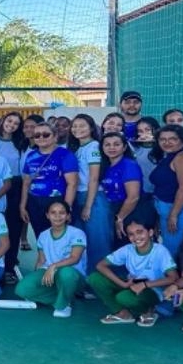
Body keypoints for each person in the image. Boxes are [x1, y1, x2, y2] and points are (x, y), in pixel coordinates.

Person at [87, 215, 177, 326]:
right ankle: (122, 313)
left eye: (140, 232)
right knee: (94, 278)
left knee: (124, 297)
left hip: (153, 290)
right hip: (132, 285)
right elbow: (101, 265)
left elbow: (173, 278)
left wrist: (145, 285)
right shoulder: (128, 249)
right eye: (131, 234)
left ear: (150, 232)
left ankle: (149, 311)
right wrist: (122, 284)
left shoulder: (160, 251)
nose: (136, 237)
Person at [15, 200, 86, 317]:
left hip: (73, 275)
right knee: (22, 289)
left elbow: (75, 258)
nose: (57, 216)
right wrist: (35, 280)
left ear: (68, 216)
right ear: (47, 215)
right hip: (49, 273)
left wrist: (54, 266)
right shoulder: (43, 235)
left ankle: (63, 305)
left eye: (62, 213)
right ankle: (63, 296)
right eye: (53, 212)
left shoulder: (77, 233)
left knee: (66, 273)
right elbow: (41, 261)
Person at [149, 124, 183, 256]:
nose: (167, 142)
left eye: (173, 139)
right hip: (169, 210)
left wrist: (173, 214)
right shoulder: (169, 157)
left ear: (182, 140)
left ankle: (180, 276)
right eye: (163, 139)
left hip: (181, 211)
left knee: (177, 252)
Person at [19, 124, 78, 241]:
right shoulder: (31, 155)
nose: (41, 137)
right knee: (40, 237)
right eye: (37, 135)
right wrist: (22, 206)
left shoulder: (65, 154)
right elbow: (26, 183)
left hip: (57, 201)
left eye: (46, 134)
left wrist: (66, 209)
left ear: (55, 137)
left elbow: (72, 184)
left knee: (59, 237)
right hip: (34, 202)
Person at [68, 114, 112, 270]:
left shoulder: (94, 146)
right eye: (74, 126)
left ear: (92, 128)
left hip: (93, 197)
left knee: (98, 241)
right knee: (82, 241)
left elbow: (94, 178)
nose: (77, 129)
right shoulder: (78, 148)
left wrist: (88, 205)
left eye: (82, 126)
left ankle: (100, 280)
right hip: (79, 196)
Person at [0, 112, 27, 278]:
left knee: (13, 227)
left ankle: (9, 265)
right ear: (3, 121)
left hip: (15, 186)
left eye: (16, 123)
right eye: (9, 121)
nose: (12, 125)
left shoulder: (20, 143)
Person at [99, 131, 147, 246]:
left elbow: (133, 197)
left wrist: (120, 218)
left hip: (131, 212)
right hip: (114, 210)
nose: (112, 148)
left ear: (124, 147)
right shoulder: (105, 166)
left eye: (116, 144)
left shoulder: (129, 165)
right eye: (107, 144)